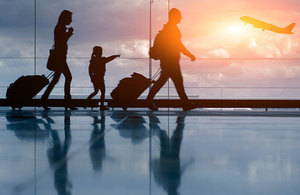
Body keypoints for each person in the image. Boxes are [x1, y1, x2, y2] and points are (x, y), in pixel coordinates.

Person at [147, 8, 196, 111]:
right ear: (174, 17)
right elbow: (179, 45)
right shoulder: (172, 29)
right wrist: (189, 54)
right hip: (171, 61)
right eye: (179, 16)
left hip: (167, 61)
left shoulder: (168, 29)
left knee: (165, 81)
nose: (181, 17)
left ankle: (149, 100)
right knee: (177, 82)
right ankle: (185, 104)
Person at [41, 10, 77, 110]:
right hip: (60, 58)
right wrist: (69, 33)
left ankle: (44, 99)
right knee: (68, 77)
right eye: (69, 18)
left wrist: (68, 33)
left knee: (55, 80)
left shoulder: (59, 28)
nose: (71, 20)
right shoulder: (60, 28)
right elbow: (62, 41)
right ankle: (67, 102)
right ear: (65, 18)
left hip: (60, 58)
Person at [86, 46, 120, 110]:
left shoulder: (93, 60)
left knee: (96, 91)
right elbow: (109, 58)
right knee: (102, 91)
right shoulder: (101, 60)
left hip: (95, 78)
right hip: (99, 78)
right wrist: (116, 56)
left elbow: (90, 70)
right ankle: (101, 106)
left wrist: (92, 78)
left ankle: (86, 102)